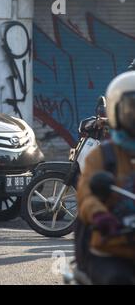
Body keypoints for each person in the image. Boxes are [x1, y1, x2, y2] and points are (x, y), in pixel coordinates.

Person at [76, 71, 135, 284]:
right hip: (111, 247)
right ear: (117, 111)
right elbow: (86, 194)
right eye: (132, 109)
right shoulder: (102, 155)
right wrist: (100, 216)